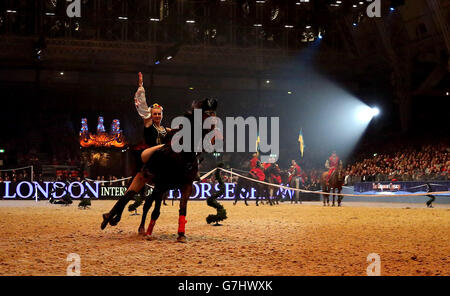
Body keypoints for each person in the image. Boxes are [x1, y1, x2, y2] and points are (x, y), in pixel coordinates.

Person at [101, 72, 170, 231]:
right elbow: (142, 106)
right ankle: (112, 214)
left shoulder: (165, 129)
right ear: (151, 115)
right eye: (155, 114)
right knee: (128, 194)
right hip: (151, 158)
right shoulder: (148, 124)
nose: (157, 116)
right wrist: (141, 87)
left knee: (129, 194)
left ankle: (111, 214)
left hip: (160, 160)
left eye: (159, 114)